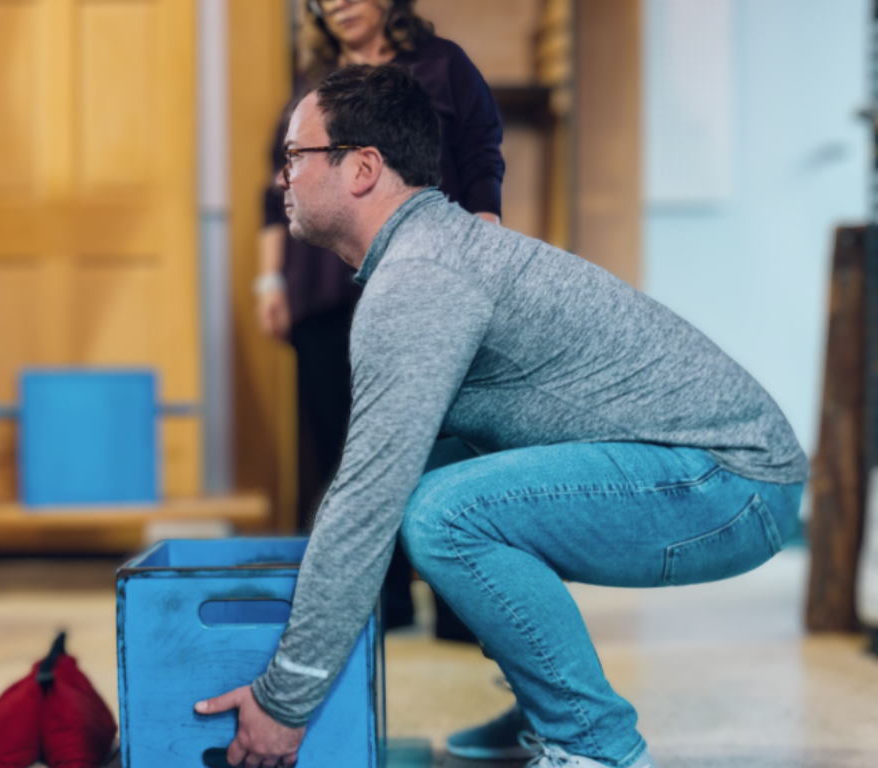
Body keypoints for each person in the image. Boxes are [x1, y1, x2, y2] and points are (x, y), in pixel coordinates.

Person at [198, 65, 808, 768]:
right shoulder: (431, 253)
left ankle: (592, 742)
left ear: (362, 167)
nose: (283, 180)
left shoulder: (421, 279)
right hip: (707, 471)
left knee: (441, 513)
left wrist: (285, 699)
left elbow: (367, 502)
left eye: (294, 157)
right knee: (434, 468)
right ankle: (548, 699)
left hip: (734, 485)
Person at [256, 0, 505, 637]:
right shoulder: (312, 83)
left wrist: (483, 239)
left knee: (442, 441)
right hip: (320, 286)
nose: (335, 4)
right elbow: (275, 183)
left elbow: (480, 155)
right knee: (341, 445)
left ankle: (459, 607)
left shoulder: (444, 66)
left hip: (423, 278)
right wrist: (270, 277)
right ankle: (379, 604)